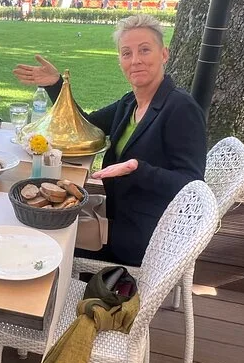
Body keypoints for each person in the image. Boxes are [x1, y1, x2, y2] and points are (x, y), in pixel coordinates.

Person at [13, 14, 206, 266]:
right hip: (118, 214)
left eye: (144, 50)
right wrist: (56, 84)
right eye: (126, 53)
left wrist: (138, 170)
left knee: (43, 234)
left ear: (164, 54)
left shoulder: (181, 108)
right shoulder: (129, 103)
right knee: (40, 216)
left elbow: (193, 186)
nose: (135, 60)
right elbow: (85, 126)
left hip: (146, 236)